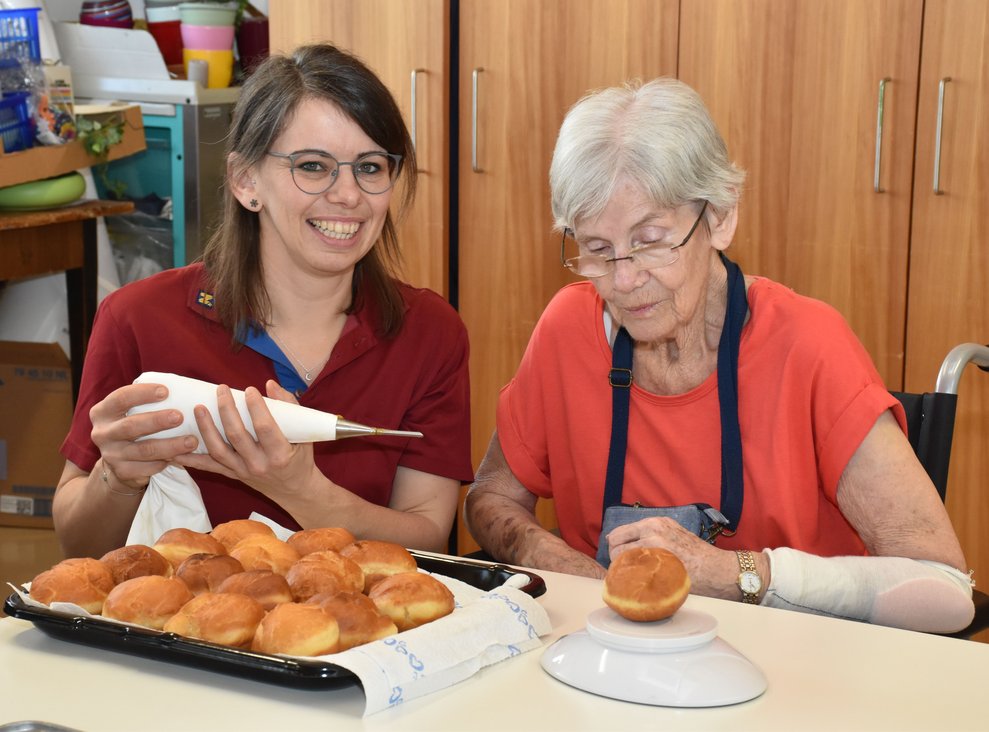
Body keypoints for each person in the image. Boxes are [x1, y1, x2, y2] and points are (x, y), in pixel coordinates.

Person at [464, 78, 975, 633]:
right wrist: (565, 565)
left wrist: (736, 573)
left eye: (652, 239)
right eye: (597, 249)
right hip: (609, 654)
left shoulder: (809, 346)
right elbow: (489, 499)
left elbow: (945, 591)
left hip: (793, 662)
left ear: (720, 217)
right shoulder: (567, 329)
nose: (625, 279)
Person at [54, 44, 472, 558]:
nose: (348, 195)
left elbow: (429, 537)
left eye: (370, 167)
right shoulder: (138, 319)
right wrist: (115, 478)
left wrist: (302, 490)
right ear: (246, 181)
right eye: (314, 166)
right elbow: (76, 543)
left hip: (352, 635)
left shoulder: (429, 332)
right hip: (177, 630)